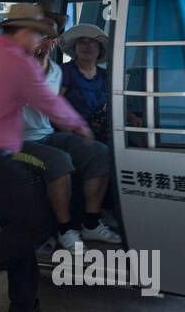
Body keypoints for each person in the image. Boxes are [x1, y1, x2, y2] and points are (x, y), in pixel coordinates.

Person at [0, 3, 93, 312]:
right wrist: (78, 125)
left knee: (20, 234)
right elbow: (48, 101)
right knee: (36, 226)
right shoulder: (20, 64)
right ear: (23, 31)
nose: (38, 40)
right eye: (37, 34)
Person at [16, 18, 119, 247]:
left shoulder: (54, 71)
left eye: (51, 37)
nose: (46, 42)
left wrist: (79, 129)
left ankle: (91, 222)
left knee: (99, 153)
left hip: (44, 135)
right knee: (59, 161)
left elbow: (54, 106)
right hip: (14, 141)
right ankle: (65, 229)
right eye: (40, 36)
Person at [59, 23, 111, 136]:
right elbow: (55, 105)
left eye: (92, 42)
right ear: (75, 48)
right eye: (82, 42)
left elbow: (113, 104)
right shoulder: (65, 71)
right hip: (74, 133)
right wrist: (70, 135)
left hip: (104, 132)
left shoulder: (105, 75)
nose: (86, 46)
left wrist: (132, 118)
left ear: (100, 50)